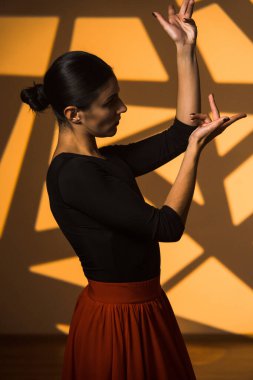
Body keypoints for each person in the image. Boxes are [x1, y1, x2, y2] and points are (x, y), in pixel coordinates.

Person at [20, 1, 246, 379]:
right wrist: (194, 154)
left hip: (146, 308)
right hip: (117, 322)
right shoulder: (74, 177)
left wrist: (184, 49)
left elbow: (179, 133)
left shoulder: (103, 162)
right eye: (110, 102)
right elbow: (166, 227)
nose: (123, 108)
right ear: (75, 114)